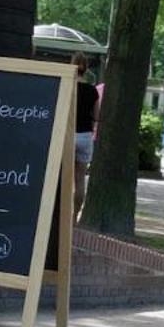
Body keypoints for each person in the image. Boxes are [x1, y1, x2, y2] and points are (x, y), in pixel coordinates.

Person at [72, 54, 99, 215]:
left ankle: (60, 216)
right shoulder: (93, 91)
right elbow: (96, 116)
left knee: (62, 177)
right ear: (86, 68)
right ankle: (74, 216)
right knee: (80, 179)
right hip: (85, 136)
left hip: (68, 135)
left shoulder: (68, 86)